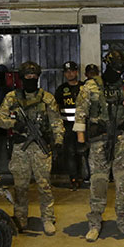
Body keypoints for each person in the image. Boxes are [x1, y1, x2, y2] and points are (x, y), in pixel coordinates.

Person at [73, 50, 124, 242]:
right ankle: (94, 223)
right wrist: (80, 142)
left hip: (122, 141)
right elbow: (80, 114)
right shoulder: (90, 87)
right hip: (99, 142)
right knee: (98, 184)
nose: (118, 73)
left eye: (121, 70)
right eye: (115, 69)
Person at [0, 61, 64, 235]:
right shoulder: (12, 97)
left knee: (44, 185)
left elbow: (56, 121)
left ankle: (47, 218)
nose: (31, 79)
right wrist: (14, 124)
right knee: (20, 186)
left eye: (34, 76)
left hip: (41, 147)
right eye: (27, 76)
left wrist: (58, 140)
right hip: (21, 148)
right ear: (22, 77)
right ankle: (20, 218)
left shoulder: (47, 98)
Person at [54, 61, 85, 190]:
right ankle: (74, 178)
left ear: (76, 72)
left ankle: (85, 176)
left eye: (72, 71)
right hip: (67, 126)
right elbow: (55, 108)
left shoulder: (84, 87)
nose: (70, 74)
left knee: (83, 152)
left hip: (83, 126)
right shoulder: (61, 90)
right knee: (70, 152)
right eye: (67, 72)